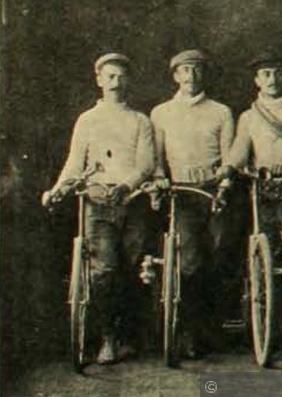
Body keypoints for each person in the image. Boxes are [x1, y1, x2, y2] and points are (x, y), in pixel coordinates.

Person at [42, 53, 155, 364]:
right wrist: (57, 189)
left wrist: (126, 186)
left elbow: (146, 163)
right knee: (103, 271)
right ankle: (108, 338)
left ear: (128, 80)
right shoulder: (87, 120)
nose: (115, 83)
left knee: (130, 269)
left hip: (132, 204)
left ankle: (129, 335)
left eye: (121, 76)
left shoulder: (140, 121)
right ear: (99, 80)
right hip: (97, 204)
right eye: (110, 77)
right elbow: (74, 163)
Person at [223, 52, 282, 356]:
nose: (272, 79)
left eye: (277, 72)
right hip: (261, 195)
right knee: (264, 265)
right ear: (256, 80)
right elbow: (240, 151)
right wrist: (228, 168)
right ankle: (269, 333)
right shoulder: (249, 117)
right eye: (265, 74)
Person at [150, 49, 235, 359]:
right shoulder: (161, 113)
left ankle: (212, 329)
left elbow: (228, 157)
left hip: (213, 192)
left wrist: (224, 185)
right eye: (185, 70)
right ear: (176, 76)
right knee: (188, 262)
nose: (191, 76)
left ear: (204, 74)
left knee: (220, 255)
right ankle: (187, 332)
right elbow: (158, 159)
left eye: (197, 70)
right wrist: (160, 177)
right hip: (181, 193)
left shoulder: (221, 112)